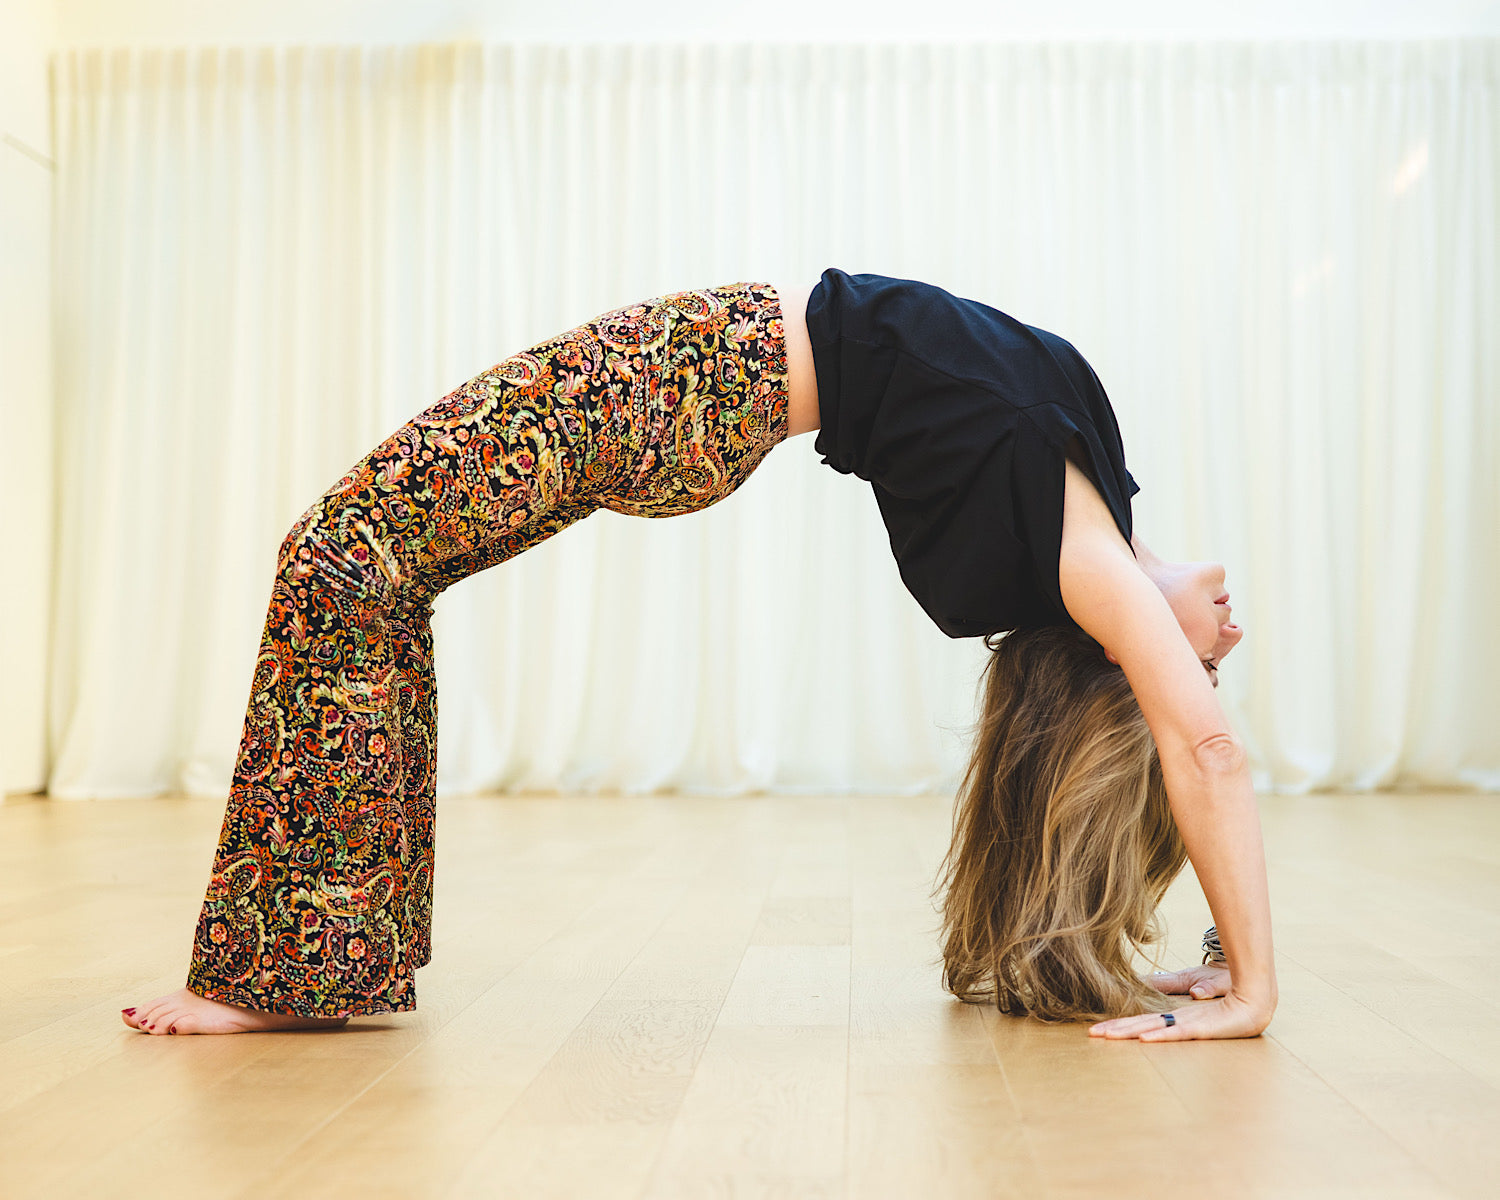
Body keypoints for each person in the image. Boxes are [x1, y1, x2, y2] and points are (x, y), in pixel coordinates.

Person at [122, 269, 1274, 1041]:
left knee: (340, 554)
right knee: (369, 568)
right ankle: (319, 961)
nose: (1226, 638)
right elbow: (1196, 740)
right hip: (700, 380)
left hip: (688, 381)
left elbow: (1208, 754)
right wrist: (1225, 954)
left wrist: (1252, 992)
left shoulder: (1088, 569)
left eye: (1202, 671)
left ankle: (290, 972)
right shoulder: (1096, 491)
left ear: (1129, 665)